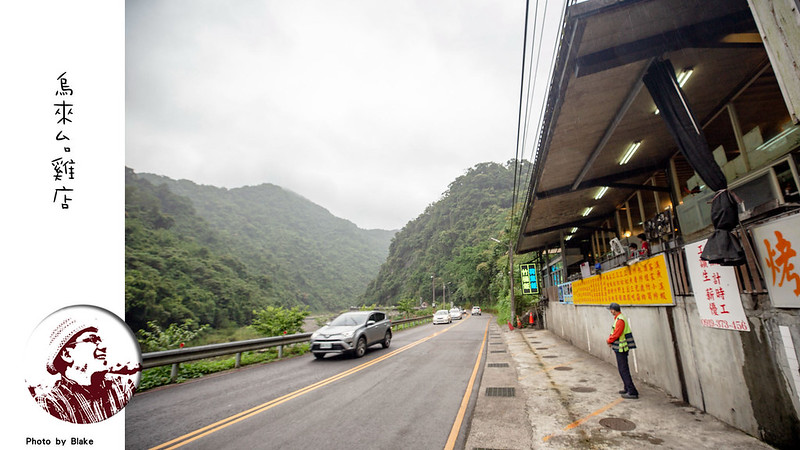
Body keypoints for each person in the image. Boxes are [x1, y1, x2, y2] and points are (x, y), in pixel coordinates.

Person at [32, 318, 139, 423]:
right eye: (92, 339)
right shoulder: (51, 403)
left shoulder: (121, 385)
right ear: (67, 354)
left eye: (100, 340)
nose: (103, 346)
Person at [606, 303, 639, 399]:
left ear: (613, 310)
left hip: (621, 348)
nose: (610, 311)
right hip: (620, 347)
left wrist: (609, 340)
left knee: (623, 369)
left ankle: (632, 391)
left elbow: (617, 333)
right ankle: (627, 388)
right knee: (622, 369)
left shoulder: (620, 320)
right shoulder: (619, 318)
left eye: (611, 310)